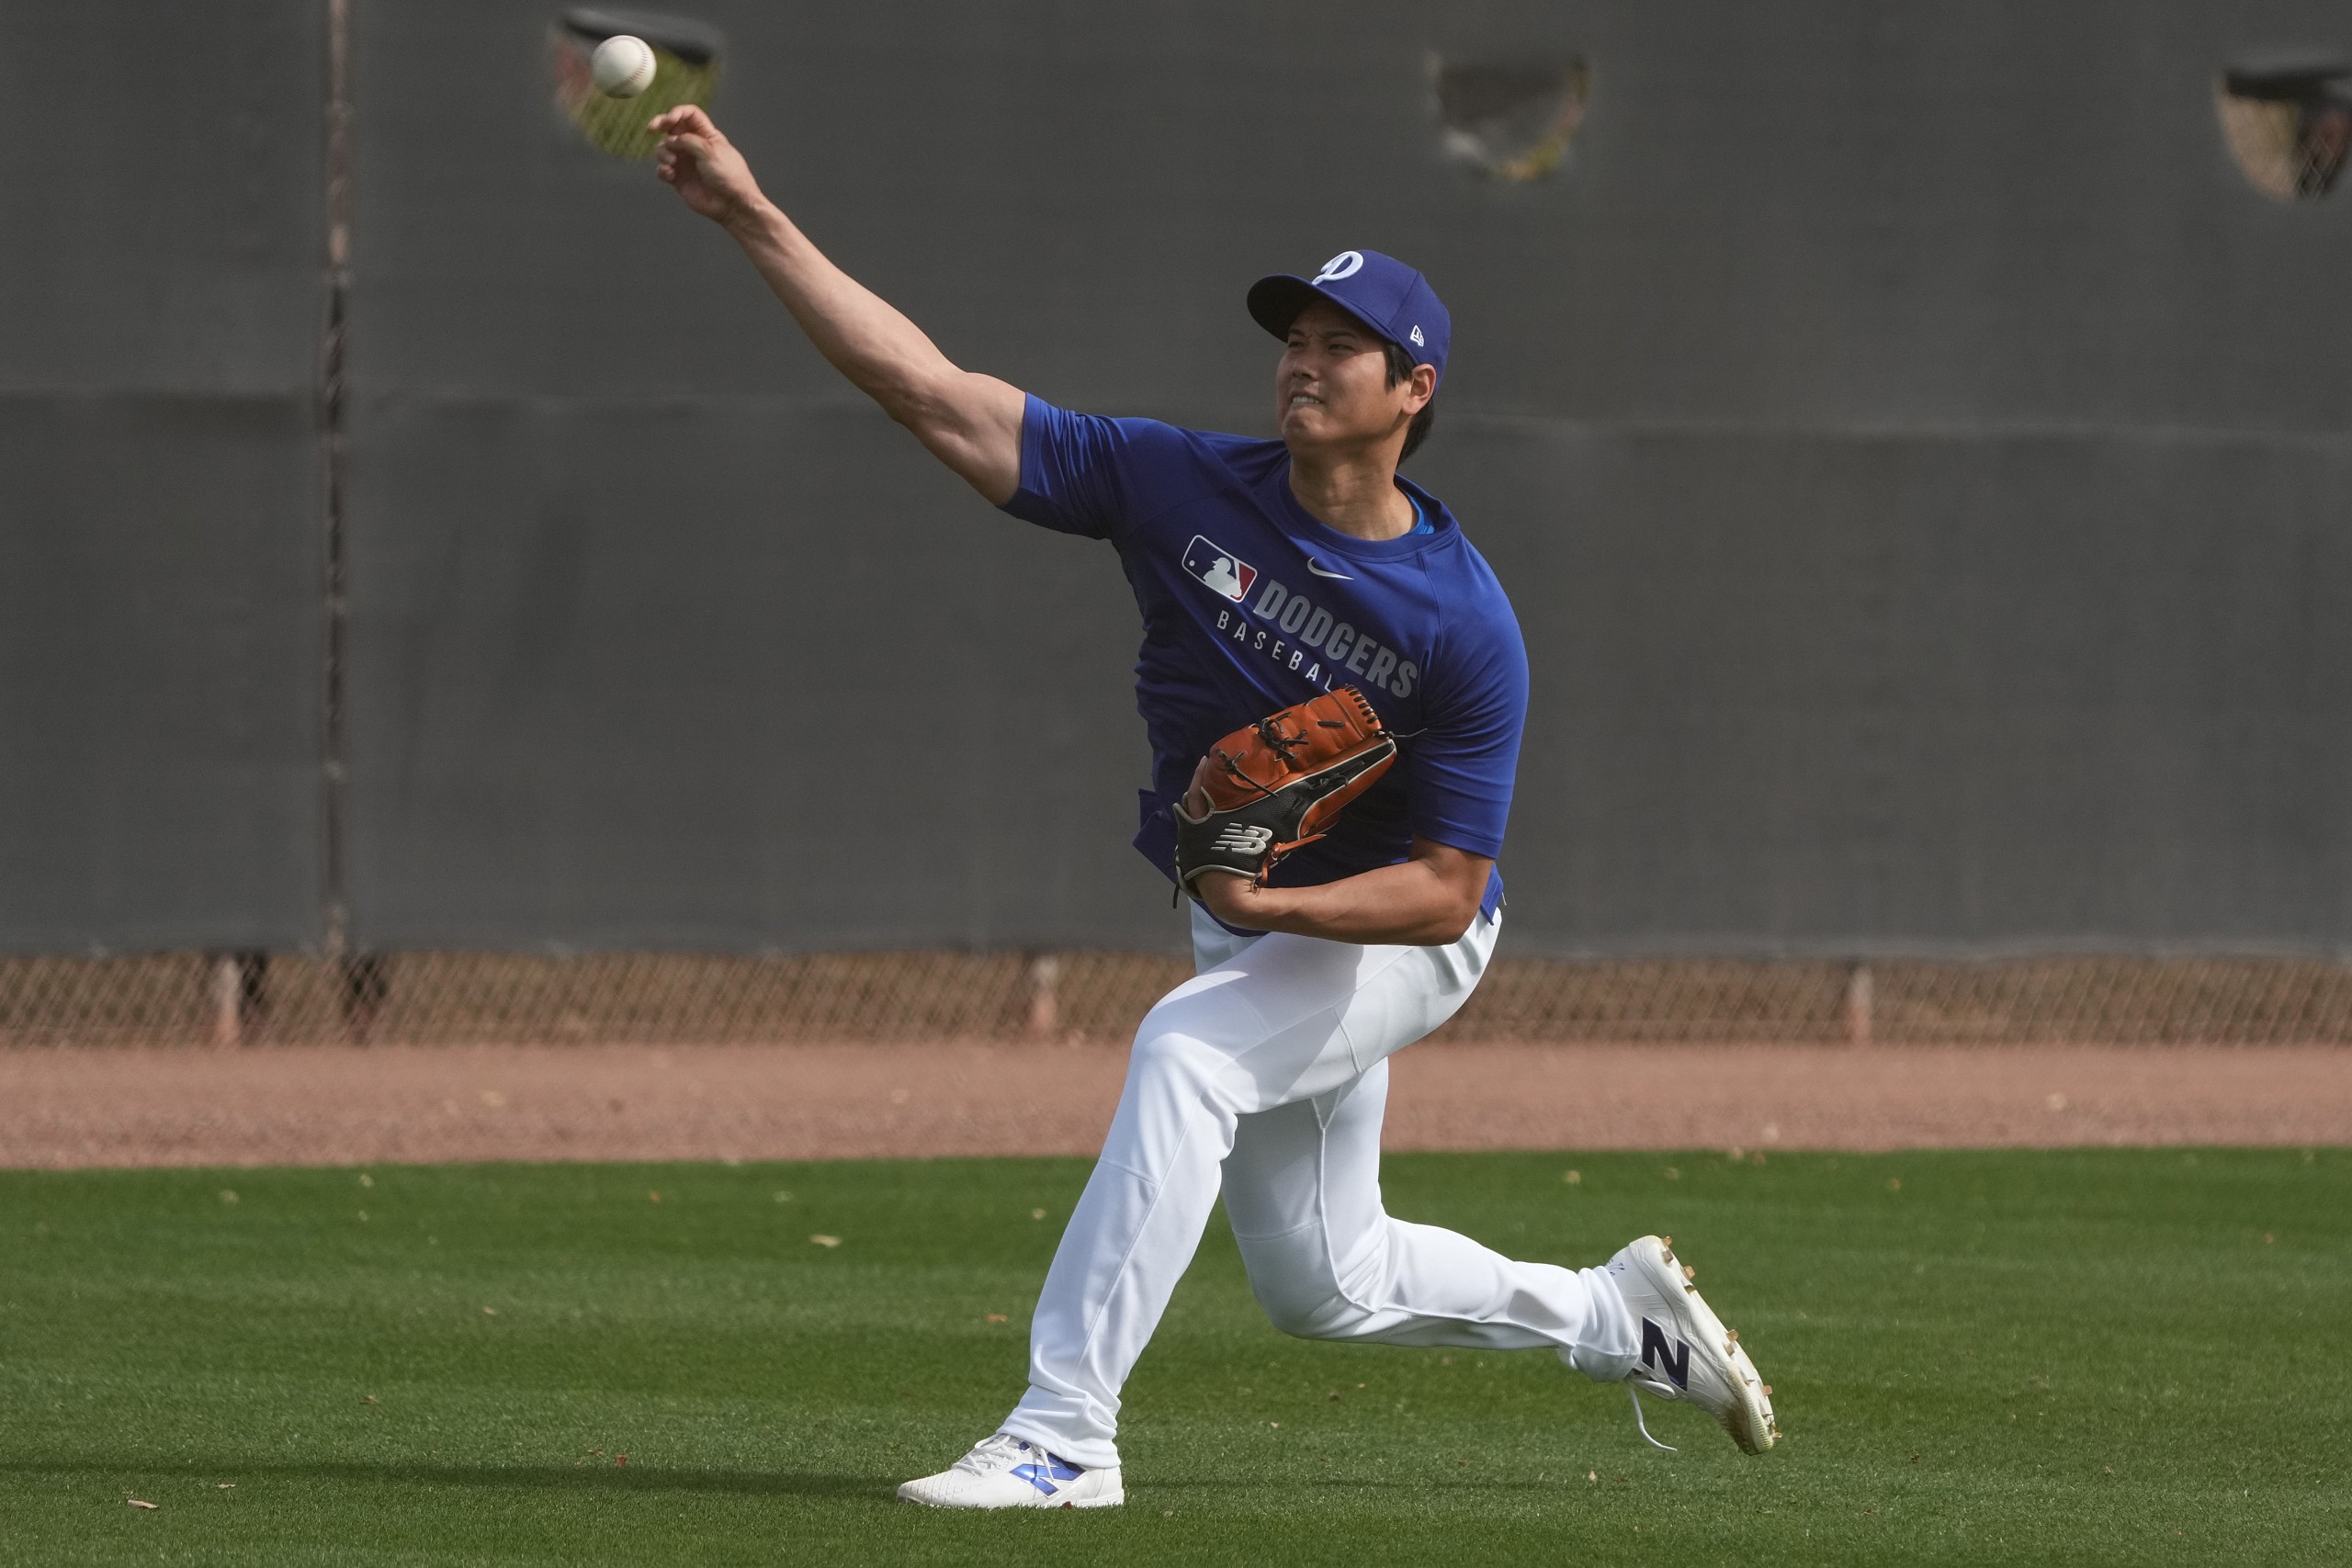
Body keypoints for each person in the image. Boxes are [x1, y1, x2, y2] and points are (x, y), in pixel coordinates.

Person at [648, 105, 1777, 1510]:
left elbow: (1445, 880)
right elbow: (934, 393)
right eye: (1293, 340)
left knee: (1187, 1054)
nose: (1303, 364)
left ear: (1411, 388)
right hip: (1262, 923)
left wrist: (1271, 907)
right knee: (1328, 1282)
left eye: (1338, 346)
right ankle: (1621, 1323)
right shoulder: (1176, 483)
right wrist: (754, 214)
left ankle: (1066, 1435)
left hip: (1402, 937)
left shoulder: (1463, 623)